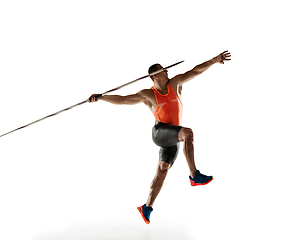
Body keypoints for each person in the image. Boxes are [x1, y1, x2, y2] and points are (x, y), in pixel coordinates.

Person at [88, 51, 231, 224]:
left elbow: (195, 71)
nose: (167, 72)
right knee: (188, 133)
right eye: (163, 70)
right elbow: (124, 100)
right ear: (155, 75)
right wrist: (102, 97)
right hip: (160, 133)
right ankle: (194, 176)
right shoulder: (148, 94)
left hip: (173, 136)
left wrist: (214, 60)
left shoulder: (176, 84)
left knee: (163, 169)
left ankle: (146, 207)